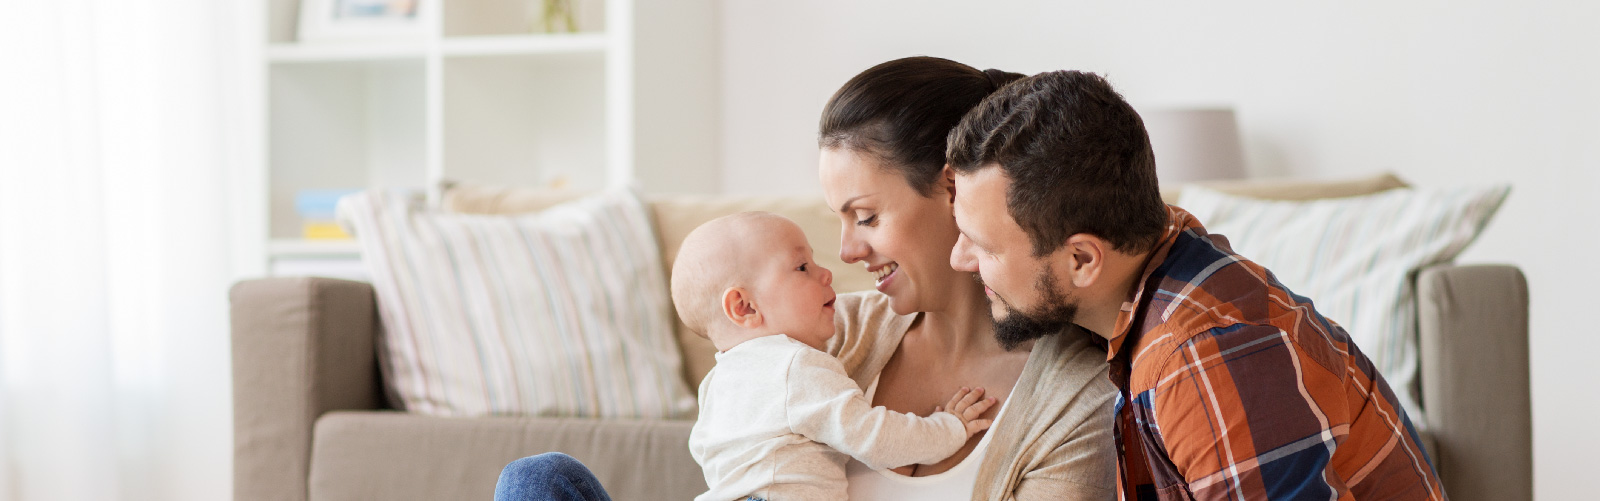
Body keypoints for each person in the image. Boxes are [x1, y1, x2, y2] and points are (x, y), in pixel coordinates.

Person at [494, 56, 1119, 501]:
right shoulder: (825, 330)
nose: (845, 252)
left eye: (867, 216)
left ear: (958, 191)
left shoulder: (1073, 398)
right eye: (840, 221)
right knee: (537, 481)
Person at [944, 70, 1447, 500]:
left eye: (982, 246)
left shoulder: (1205, 355)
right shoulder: (1163, 271)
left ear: (1082, 260)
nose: (958, 259)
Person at [672, 211, 997, 501]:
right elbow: (875, 438)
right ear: (745, 307)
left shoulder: (715, 385)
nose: (826, 273)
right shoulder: (793, 366)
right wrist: (948, 428)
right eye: (802, 267)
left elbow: (705, 454)